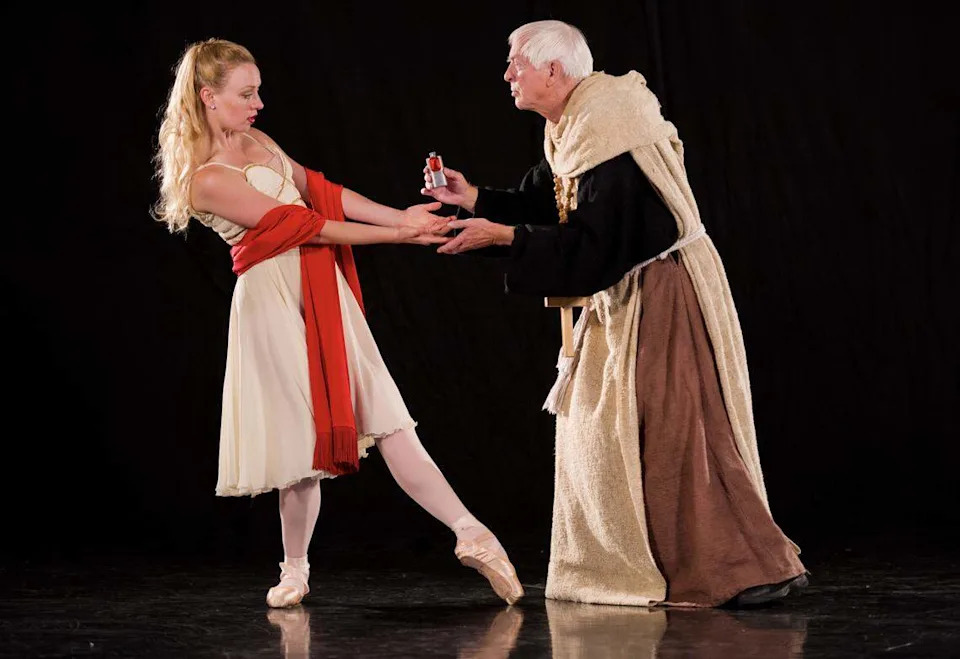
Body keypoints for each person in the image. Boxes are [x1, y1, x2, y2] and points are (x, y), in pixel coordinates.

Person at [423, 20, 807, 607]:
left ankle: (741, 569)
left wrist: (501, 235)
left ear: (553, 70)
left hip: (663, 291)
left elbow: (598, 242)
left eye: (516, 63)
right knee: (639, 435)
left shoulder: (610, 125)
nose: (507, 75)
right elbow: (558, 201)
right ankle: (725, 566)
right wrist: (476, 199)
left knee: (675, 432)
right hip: (632, 290)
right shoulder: (580, 124)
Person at [153, 38, 523, 608]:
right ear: (208, 97)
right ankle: (295, 567)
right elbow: (307, 226)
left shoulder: (257, 141)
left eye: (257, 91)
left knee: (389, 418)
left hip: (321, 291)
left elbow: (323, 193)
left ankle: (474, 534)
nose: (257, 104)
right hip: (272, 306)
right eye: (245, 94)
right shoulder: (206, 179)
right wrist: (401, 235)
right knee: (299, 449)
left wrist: (401, 216)